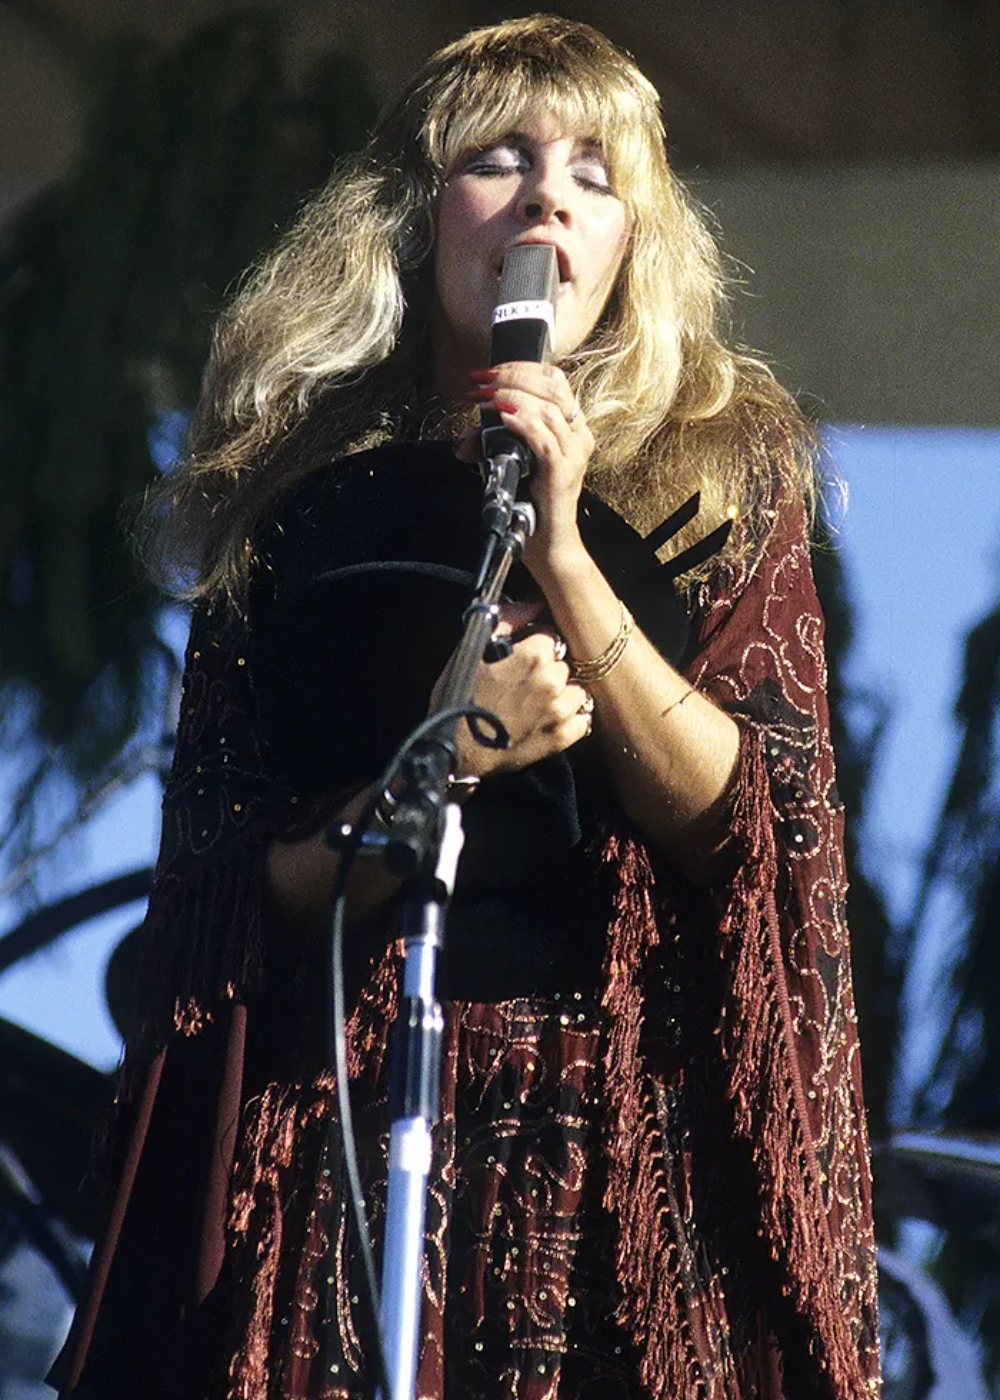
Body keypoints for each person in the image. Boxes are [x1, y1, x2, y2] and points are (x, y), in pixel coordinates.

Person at [53, 16, 880, 1400]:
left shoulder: (726, 478)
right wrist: (451, 754)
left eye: (593, 173)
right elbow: (222, 898)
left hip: (627, 1168)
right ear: (418, 221)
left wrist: (562, 547)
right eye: (497, 159)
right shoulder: (291, 516)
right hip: (359, 1147)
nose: (549, 195)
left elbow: (761, 835)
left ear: (634, 240)